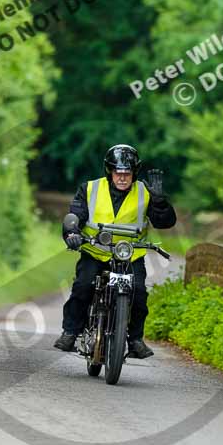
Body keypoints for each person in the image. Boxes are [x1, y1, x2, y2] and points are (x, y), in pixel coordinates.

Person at [53, 144, 177, 359]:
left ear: (134, 173)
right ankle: (70, 332)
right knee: (83, 285)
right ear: (109, 171)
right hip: (95, 251)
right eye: (118, 172)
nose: (122, 177)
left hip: (130, 255)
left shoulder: (145, 192)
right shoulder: (90, 189)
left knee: (138, 292)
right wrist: (72, 233)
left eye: (127, 173)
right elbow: (76, 215)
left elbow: (164, 223)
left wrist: (160, 202)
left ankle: (135, 340)